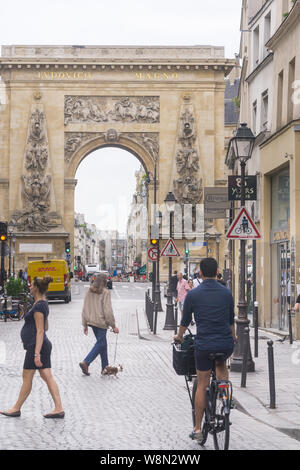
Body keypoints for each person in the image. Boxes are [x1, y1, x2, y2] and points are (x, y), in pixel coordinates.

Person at [174, 258, 237, 442]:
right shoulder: (226, 293)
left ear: (200, 273)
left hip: (204, 344)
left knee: (202, 384)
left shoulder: (193, 294)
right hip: (225, 343)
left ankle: (198, 428)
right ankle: (225, 394)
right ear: (217, 271)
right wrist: (233, 336)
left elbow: (185, 322)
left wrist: (179, 336)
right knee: (221, 363)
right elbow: (230, 320)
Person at [0, 276, 65, 419]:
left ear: (36, 288)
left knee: (27, 376)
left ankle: (16, 408)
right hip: (38, 344)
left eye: (31, 285)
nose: (29, 287)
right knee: (46, 376)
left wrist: (36, 354)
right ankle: (58, 408)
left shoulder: (38, 306)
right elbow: (45, 327)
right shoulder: (42, 304)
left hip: (37, 346)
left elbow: (41, 330)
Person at [79, 273, 119, 376]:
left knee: (103, 344)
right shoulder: (105, 292)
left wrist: (85, 324)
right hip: (101, 322)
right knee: (101, 344)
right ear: (105, 282)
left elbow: (84, 308)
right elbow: (108, 311)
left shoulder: (89, 291)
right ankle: (86, 362)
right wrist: (113, 326)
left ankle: (105, 368)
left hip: (91, 322)